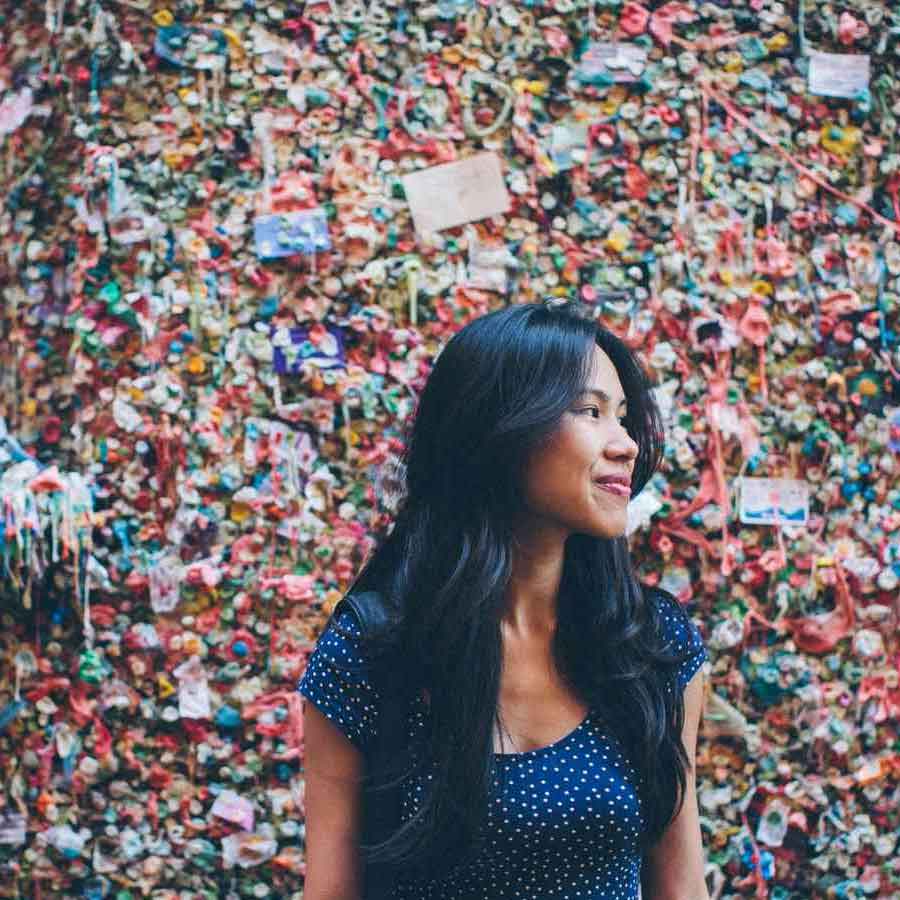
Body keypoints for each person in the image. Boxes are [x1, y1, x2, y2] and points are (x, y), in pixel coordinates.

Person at [299, 299, 711, 900]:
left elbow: (681, 886)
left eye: (623, 417)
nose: (625, 444)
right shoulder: (374, 650)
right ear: (499, 431)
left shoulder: (652, 645)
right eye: (591, 411)